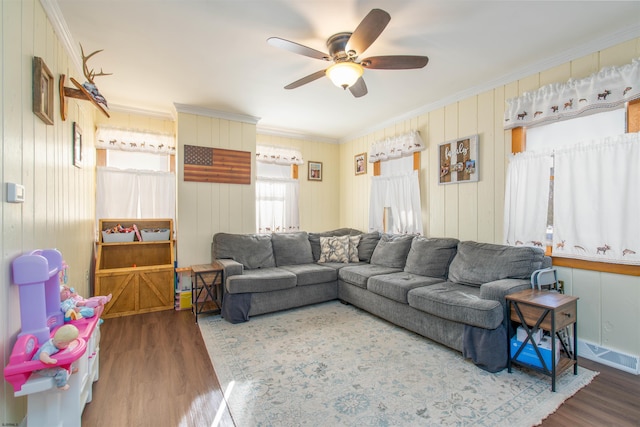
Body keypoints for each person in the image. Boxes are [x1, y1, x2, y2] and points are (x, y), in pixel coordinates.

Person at [32, 324, 79, 390]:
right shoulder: (49, 347)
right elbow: (42, 355)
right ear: (59, 343)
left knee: (66, 363)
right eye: (67, 343)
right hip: (40, 368)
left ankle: (70, 369)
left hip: (47, 364)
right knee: (61, 371)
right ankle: (61, 385)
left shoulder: (54, 342)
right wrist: (49, 360)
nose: (68, 345)